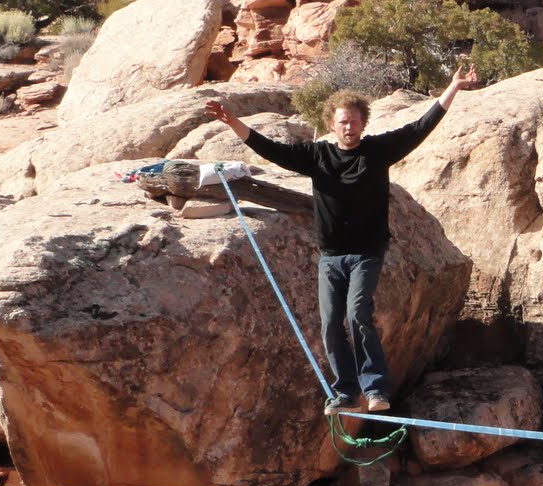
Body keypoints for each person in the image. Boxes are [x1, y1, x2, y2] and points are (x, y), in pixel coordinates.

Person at [204, 64, 477, 414]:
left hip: (367, 253)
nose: (348, 127)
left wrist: (452, 86)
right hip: (331, 256)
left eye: (354, 121)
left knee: (357, 313)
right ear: (332, 125)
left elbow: (419, 127)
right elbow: (271, 149)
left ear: (363, 122)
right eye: (342, 122)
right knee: (332, 322)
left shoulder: (376, 151)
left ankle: (376, 389)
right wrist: (232, 123)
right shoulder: (317, 156)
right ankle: (346, 392)